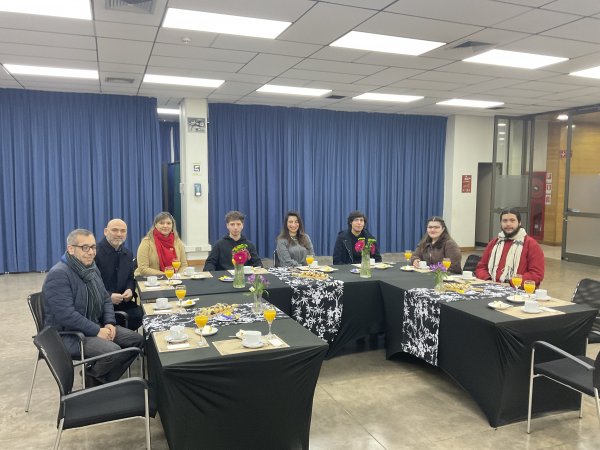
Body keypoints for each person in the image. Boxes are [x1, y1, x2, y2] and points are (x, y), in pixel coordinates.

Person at [42, 229, 144, 385]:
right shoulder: (59, 275)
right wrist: (97, 331)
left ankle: (98, 377)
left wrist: (109, 322)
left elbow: (105, 298)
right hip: (70, 334)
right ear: (71, 249)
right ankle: (94, 381)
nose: (91, 252)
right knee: (113, 351)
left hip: (95, 325)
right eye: (85, 248)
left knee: (137, 340)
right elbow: (67, 315)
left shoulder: (91, 268)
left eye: (93, 247)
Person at [475, 208, 545, 286]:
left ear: (519, 223)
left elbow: (536, 274)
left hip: (518, 290)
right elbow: (481, 267)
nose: (508, 224)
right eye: (505, 221)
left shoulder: (531, 244)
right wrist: (488, 280)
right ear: (501, 223)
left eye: (512, 220)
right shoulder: (493, 243)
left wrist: (510, 283)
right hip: (491, 286)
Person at [95, 218, 143, 330]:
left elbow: (130, 277)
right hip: (100, 306)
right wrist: (108, 296)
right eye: (115, 230)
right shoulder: (94, 253)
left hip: (122, 303)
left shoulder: (128, 254)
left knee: (144, 314)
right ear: (106, 231)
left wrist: (130, 290)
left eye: (123, 231)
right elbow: (89, 285)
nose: (119, 234)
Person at [135, 211, 188, 276]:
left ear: (172, 226)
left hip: (174, 279)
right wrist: (167, 275)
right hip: (151, 280)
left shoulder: (178, 242)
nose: (165, 226)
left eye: (168, 223)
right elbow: (143, 269)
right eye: (161, 223)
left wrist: (176, 276)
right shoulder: (146, 242)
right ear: (155, 225)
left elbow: (183, 265)